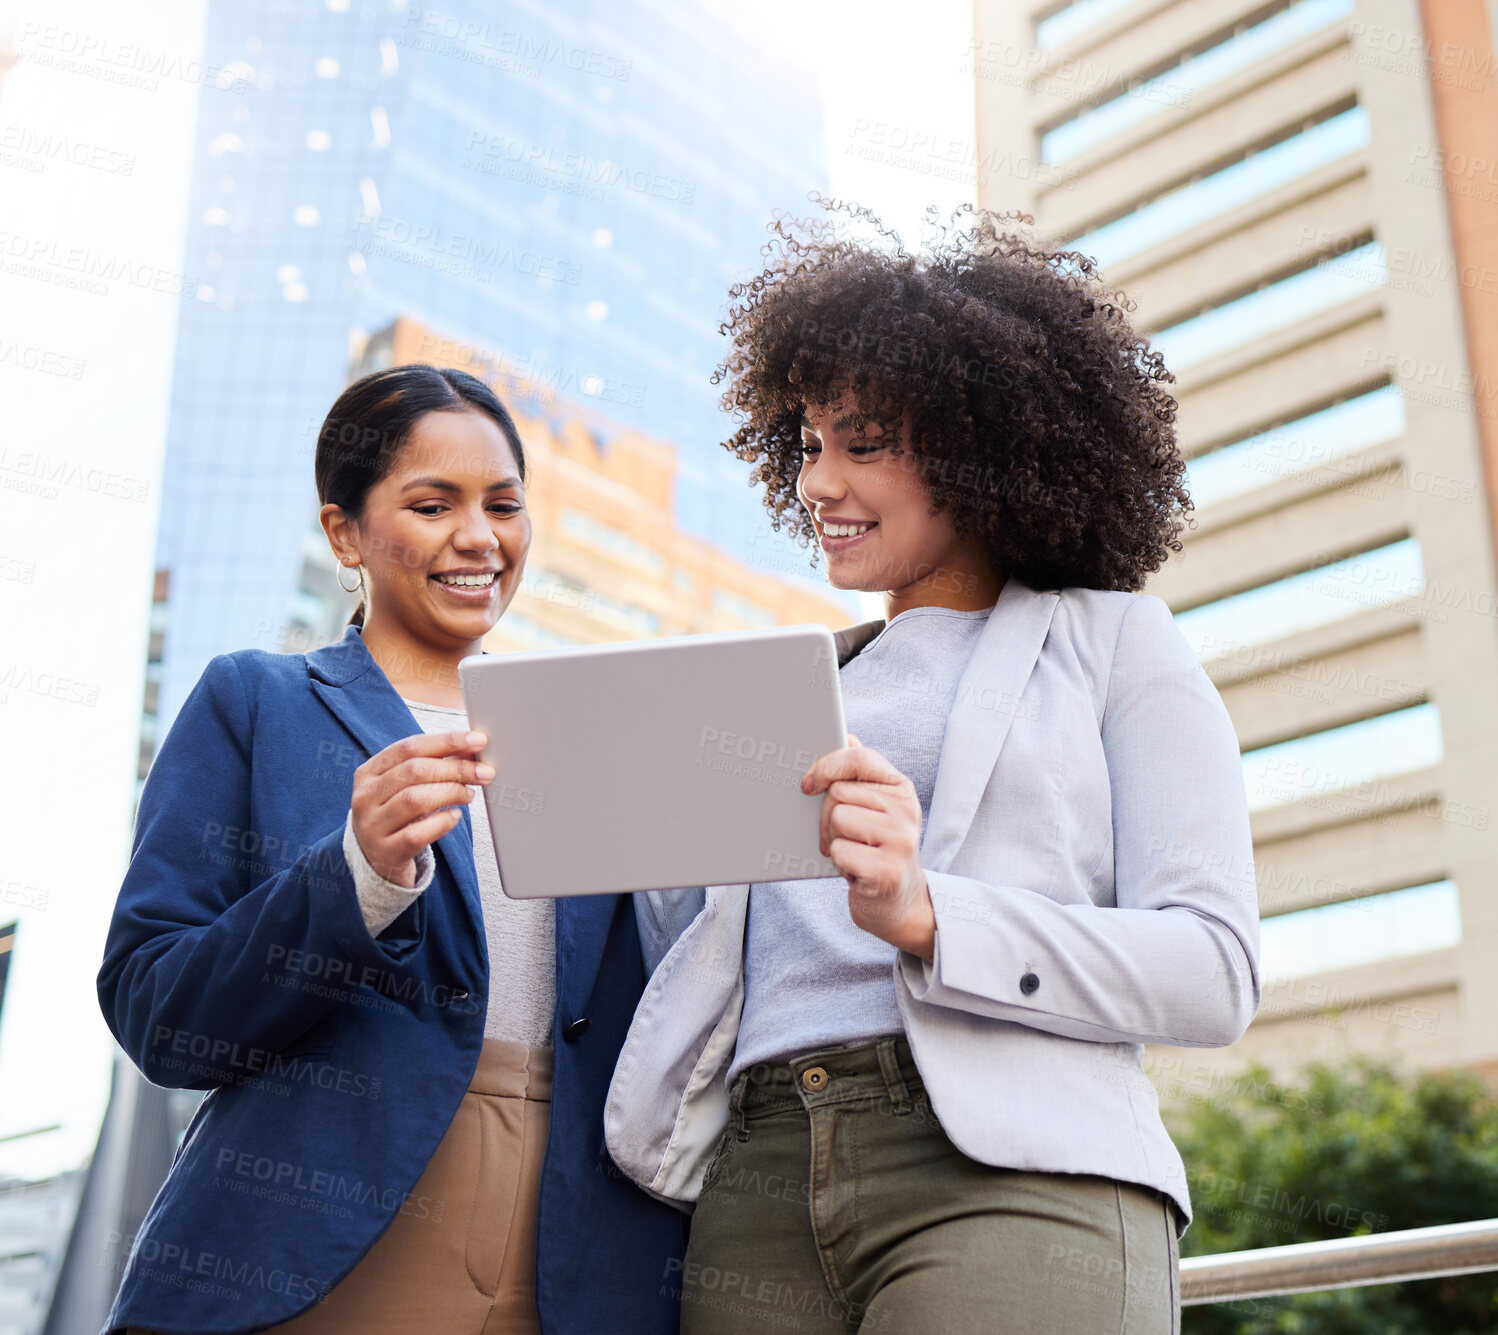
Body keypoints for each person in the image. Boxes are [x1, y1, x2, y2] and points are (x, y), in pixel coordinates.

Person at [604, 200, 1261, 1333]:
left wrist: (929, 914)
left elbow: (1211, 971)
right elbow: (692, 965)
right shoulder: (778, 688)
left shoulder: (1112, 645)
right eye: (808, 445)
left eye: (864, 444)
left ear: (989, 452)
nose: (818, 482)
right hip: (755, 1179)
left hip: (1014, 1174)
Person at [98, 364, 686, 1335]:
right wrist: (355, 877)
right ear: (344, 533)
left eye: (503, 504)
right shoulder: (258, 703)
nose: (478, 537)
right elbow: (158, 1011)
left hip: (580, 1256)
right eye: (431, 503)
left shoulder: (592, 734)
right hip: (320, 1229)